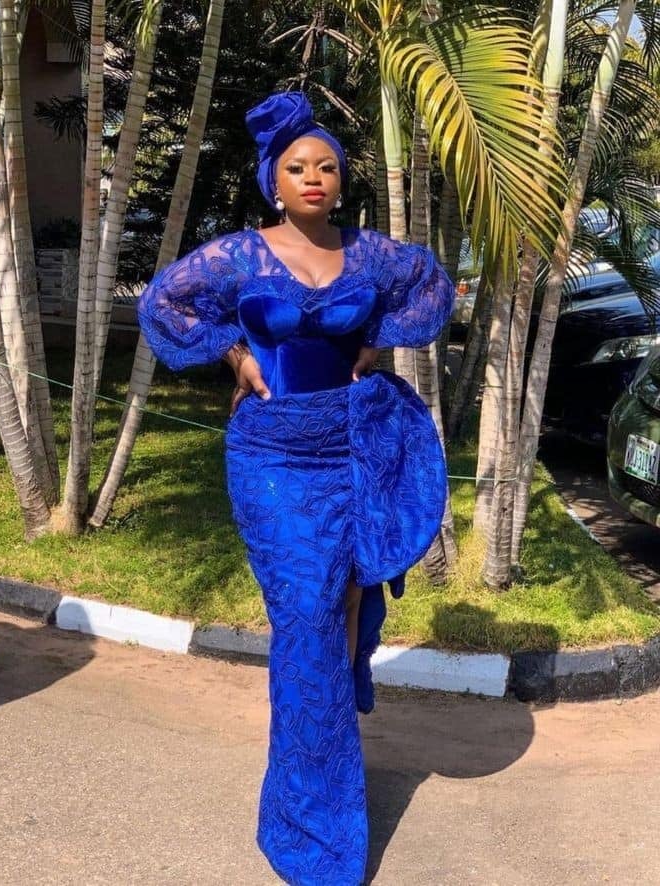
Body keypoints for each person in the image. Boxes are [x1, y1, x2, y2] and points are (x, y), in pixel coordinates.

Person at [138, 92, 454, 886]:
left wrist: (374, 344)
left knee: (340, 612)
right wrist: (237, 357)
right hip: (273, 459)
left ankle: (323, 767)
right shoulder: (240, 257)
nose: (313, 177)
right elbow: (164, 301)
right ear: (273, 182)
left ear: (340, 182)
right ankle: (309, 829)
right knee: (307, 619)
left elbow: (431, 287)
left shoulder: (371, 255)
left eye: (326, 167)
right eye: (297, 167)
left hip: (350, 447)